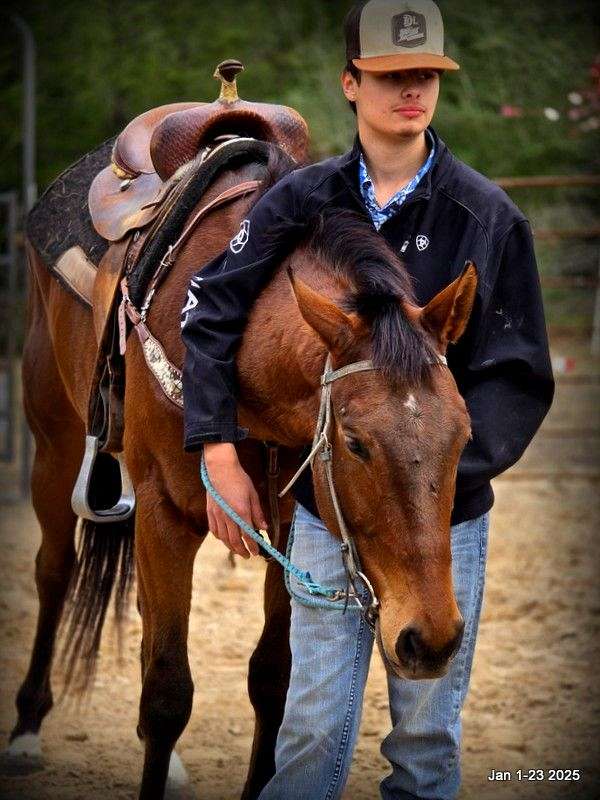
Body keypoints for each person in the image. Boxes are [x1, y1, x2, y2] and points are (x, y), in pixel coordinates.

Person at [181, 0, 554, 797]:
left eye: (424, 75)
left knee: (424, 738)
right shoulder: (298, 201)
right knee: (312, 725)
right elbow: (209, 310)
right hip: (323, 505)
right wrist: (217, 446)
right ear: (351, 84)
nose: (409, 90)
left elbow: (518, 374)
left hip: (442, 516)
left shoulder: (488, 217)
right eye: (389, 76)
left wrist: (424, 467)